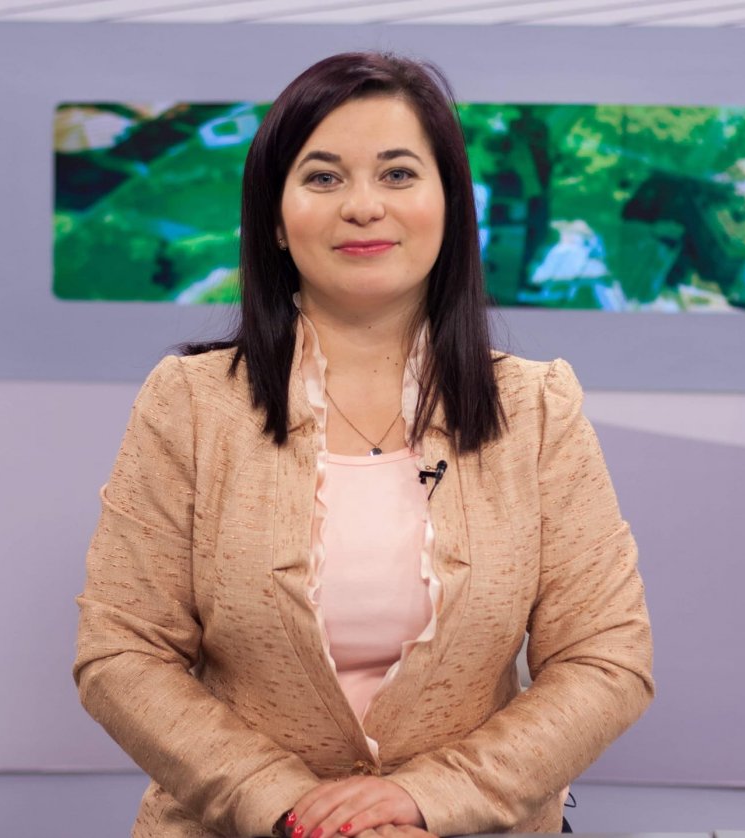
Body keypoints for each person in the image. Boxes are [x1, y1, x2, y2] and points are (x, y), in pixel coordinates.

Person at [73, 52, 654, 838]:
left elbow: (606, 658)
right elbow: (121, 652)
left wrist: (430, 797)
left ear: (449, 205)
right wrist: (285, 803)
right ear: (275, 220)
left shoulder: (538, 407)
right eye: (323, 177)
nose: (362, 206)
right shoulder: (189, 404)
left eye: (397, 174)